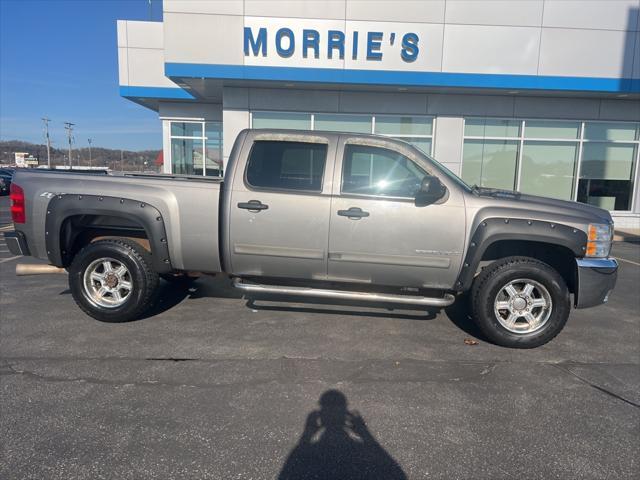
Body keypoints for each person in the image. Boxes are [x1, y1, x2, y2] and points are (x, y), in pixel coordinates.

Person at [278, 389, 407, 480]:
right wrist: (365, 434)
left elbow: (289, 473)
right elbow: (395, 473)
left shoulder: (313, 451)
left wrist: (307, 435)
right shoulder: (359, 450)